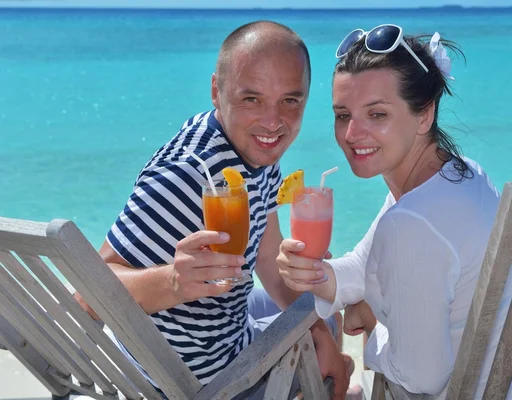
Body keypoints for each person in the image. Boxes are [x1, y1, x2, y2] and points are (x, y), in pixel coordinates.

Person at [277, 25, 512, 399]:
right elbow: (368, 264)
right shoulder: (459, 174)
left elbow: (422, 378)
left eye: (377, 114)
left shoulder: (412, 222)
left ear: (425, 115)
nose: (351, 133)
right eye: (343, 114)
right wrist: (317, 274)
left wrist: (371, 326)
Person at [76, 20, 351, 399]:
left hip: (223, 330)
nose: (273, 122)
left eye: (290, 101)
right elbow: (89, 294)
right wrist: (174, 281)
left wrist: (318, 325)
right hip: (204, 381)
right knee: (328, 327)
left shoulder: (256, 147)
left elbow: (269, 257)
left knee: (324, 310)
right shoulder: (187, 175)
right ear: (215, 91)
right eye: (250, 99)